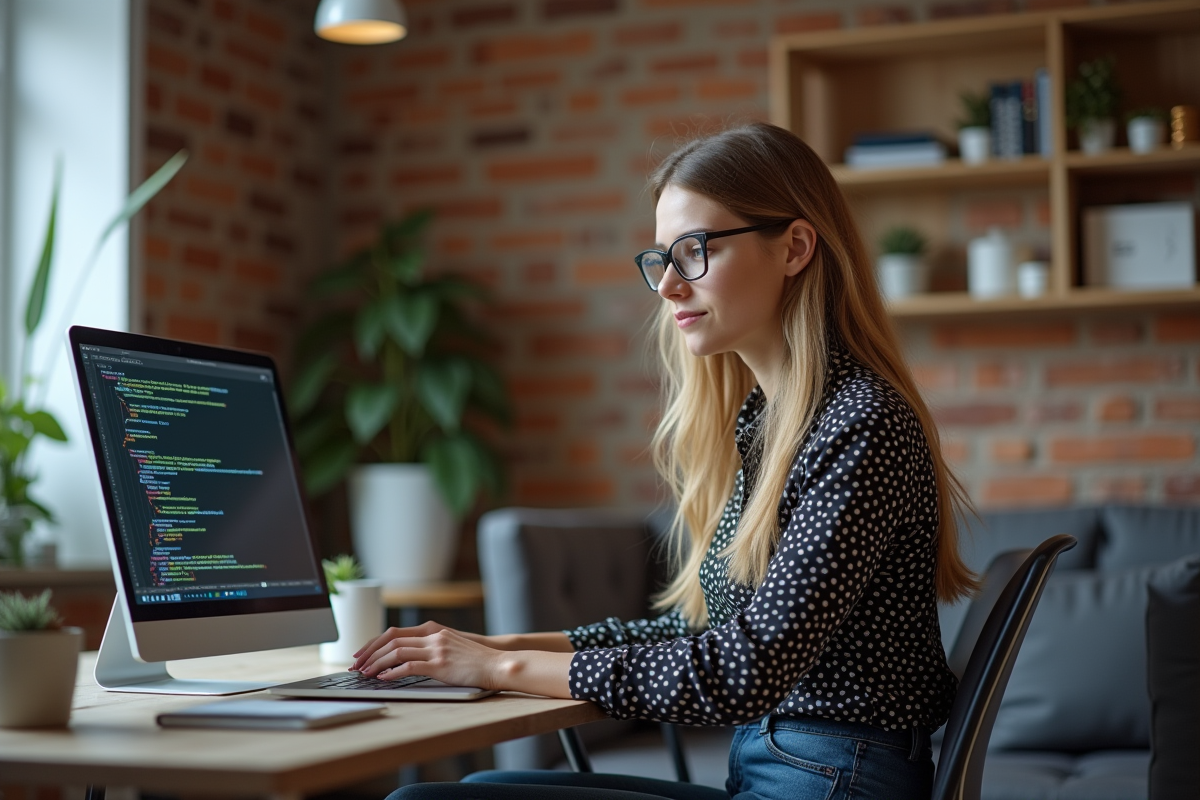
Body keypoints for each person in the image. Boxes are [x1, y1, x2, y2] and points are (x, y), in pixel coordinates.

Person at [353, 122, 978, 800]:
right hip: (797, 768)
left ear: (795, 247)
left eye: (695, 251)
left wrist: (501, 671)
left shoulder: (861, 423)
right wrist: (501, 648)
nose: (668, 286)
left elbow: (742, 670)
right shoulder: (772, 421)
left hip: (829, 777)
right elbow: (706, 633)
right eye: (661, 259)